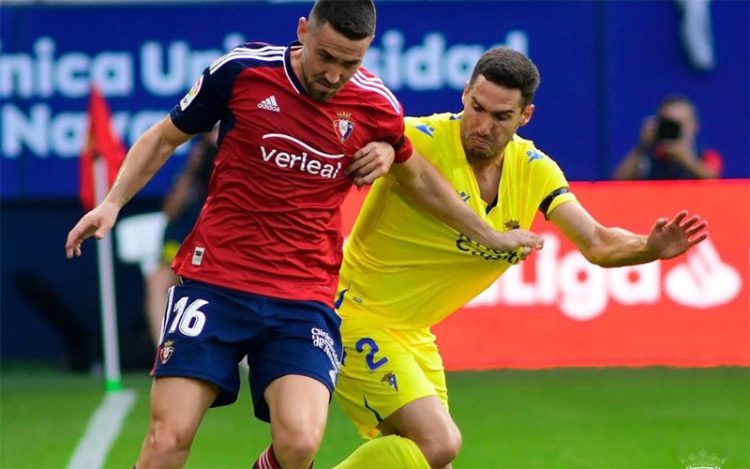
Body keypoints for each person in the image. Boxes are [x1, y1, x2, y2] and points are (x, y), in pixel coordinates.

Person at [65, 3, 541, 468]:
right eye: (326, 57)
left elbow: (417, 176)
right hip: (218, 280)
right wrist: (112, 203)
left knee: (299, 443)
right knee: (168, 437)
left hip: (303, 294)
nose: (334, 75)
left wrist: (487, 233)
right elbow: (164, 137)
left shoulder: (377, 106)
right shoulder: (243, 72)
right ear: (302, 31)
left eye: (350, 63)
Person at [333, 48, 709, 469]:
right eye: (477, 107)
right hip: (354, 314)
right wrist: (383, 148)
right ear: (465, 95)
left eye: (500, 117)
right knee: (438, 443)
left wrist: (649, 248)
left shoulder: (534, 171)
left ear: (524, 116)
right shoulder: (417, 138)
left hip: (413, 333)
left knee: (433, 461)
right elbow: (350, 127)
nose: (482, 125)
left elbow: (598, 242)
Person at [144, 129, 217, 347]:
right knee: (158, 281)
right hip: (186, 250)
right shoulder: (192, 166)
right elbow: (170, 212)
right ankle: (164, 349)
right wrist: (191, 171)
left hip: (224, 254)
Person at [613, 95, 723, 180]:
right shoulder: (647, 157)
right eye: (669, 123)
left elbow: (713, 180)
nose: (675, 128)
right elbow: (618, 182)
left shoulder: (706, 156)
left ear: (694, 126)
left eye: (681, 122)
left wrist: (685, 159)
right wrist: (641, 147)